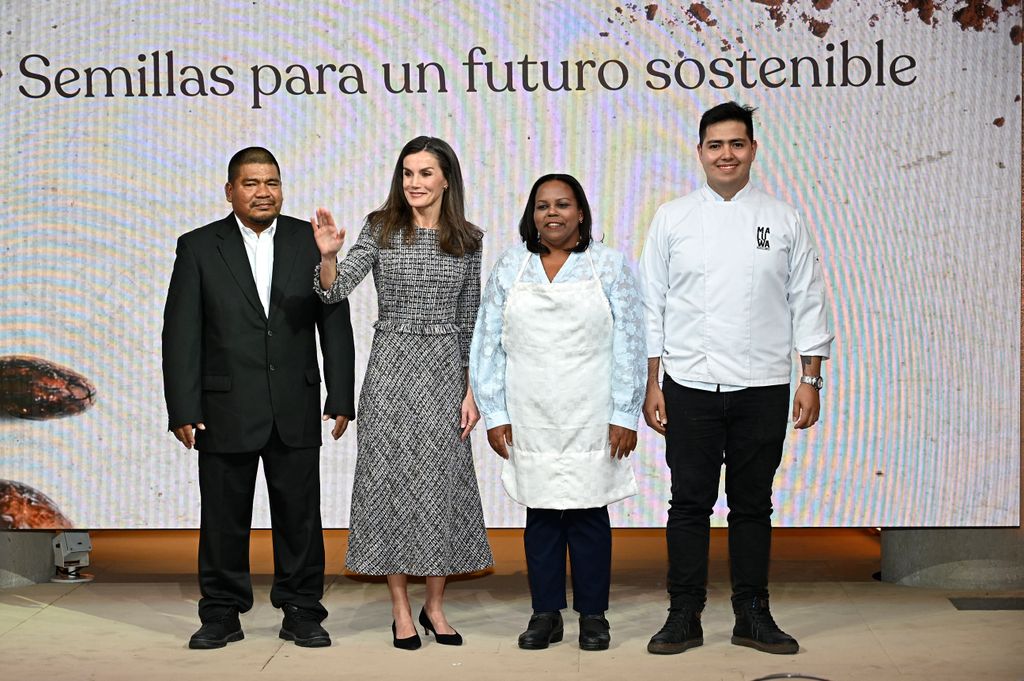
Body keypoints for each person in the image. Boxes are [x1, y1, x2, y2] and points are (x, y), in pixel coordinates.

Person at [639, 102, 833, 656]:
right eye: (716, 145)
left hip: (763, 385)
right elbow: (652, 304)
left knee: (753, 505)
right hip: (689, 385)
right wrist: (653, 382)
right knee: (688, 504)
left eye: (737, 144)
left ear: (753, 149)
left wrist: (810, 378)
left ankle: (753, 613)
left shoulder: (783, 217)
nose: (727, 154)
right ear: (699, 151)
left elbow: (808, 300)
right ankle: (683, 615)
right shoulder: (672, 218)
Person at [162, 147, 356, 650]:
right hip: (224, 408)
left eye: (271, 181)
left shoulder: (308, 241)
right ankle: (222, 612)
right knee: (223, 519)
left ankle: (302, 610)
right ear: (230, 190)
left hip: (295, 403)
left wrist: (340, 393)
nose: (263, 191)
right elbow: (181, 333)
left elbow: (334, 319)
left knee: (301, 518)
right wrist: (183, 407)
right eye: (251, 183)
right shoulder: (199, 246)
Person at [311, 136, 493, 650]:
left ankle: (435, 605)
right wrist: (329, 256)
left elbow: (472, 321)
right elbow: (333, 289)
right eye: (407, 173)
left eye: (425, 173)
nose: (414, 183)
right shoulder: (380, 227)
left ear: (446, 180)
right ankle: (399, 609)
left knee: (441, 489)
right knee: (388, 487)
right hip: (390, 368)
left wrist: (471, 390)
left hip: (443, 374)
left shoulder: (469, 240)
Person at [470, 174, 646, 652]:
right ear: (532, 215)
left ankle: (593, 616)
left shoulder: (608, 267)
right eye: (543, 205)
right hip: (530, 411)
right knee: (543, 515)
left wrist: (626, 413)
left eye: (562, 205)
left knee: (589, 514)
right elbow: (488, 341)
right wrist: (495, 410)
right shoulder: (512, 266)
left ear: (581, 213)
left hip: (593, 411)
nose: (552, 213)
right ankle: (545, 613)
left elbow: (631, 341)